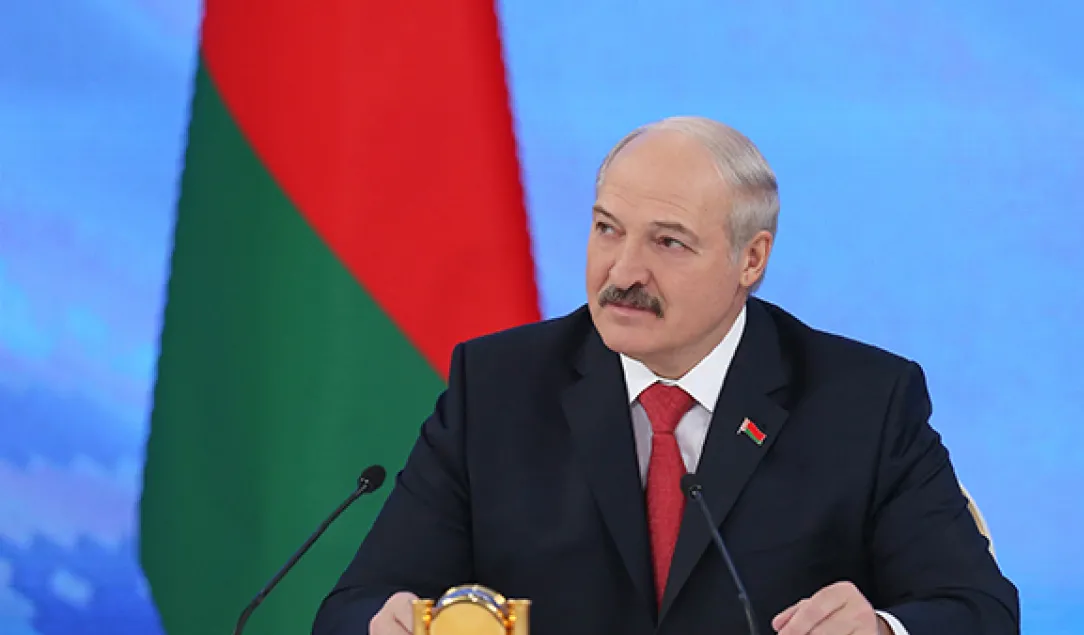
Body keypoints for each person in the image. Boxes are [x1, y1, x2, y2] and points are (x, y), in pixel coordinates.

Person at [312, 116, 1019, 635]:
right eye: (607, 229)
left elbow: (979, 611)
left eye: (668, 242)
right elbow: (352, 607)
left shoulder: (863, 401)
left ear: (751, 259)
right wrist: (385, 623)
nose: (623, 272)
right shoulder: (497, 388)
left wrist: (882, 629)